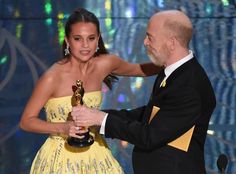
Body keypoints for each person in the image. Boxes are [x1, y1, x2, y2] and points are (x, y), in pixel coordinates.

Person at [72, 10, 216, 174]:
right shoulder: (174, 73)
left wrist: (101, 119)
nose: (145, 42)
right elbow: (150, 116)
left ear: (172, 43)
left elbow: (150, 136)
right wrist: (96, 117)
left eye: (150, 37)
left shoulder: (189, 87)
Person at [19, 8, 160, 174]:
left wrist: (174, 61)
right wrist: (64, 127)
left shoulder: (105, 64)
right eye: (78, 39)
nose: (85, 45)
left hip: (97, 154)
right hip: (60, 161)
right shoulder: (52, 77)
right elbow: (26, 121)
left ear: (98, 39)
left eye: (91, 38)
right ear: (68, 41)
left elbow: (140, 70)